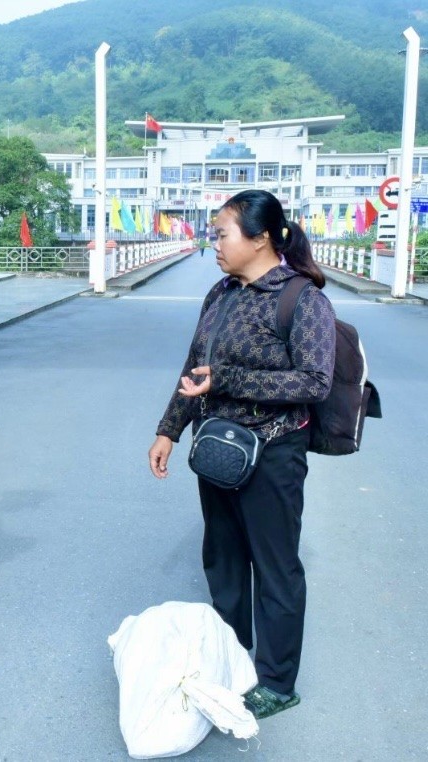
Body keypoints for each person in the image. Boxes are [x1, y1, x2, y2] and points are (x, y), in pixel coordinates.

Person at [147, 189, 336, 720]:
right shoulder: (221, 294)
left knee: (274, 567)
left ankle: (277, 680)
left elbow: (315, 381)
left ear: (260, 238)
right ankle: (228, 658)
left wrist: (229, 380)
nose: (214, 244)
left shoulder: (303, 300)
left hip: (274, 454)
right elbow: (193, 366)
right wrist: (168, 429)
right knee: (224, 560)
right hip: (219, 454)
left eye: (221, 234)